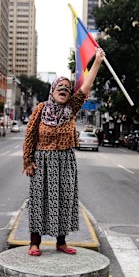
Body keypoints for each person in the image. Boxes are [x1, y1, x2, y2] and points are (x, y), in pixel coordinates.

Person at [22, 47, 105, 256]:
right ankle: (34, 243)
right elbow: (30, 136)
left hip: (66, 161)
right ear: (52, 90)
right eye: (60, 87)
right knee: (39, 200)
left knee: (65, 200)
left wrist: (96, 62)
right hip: (42, 160)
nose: (64, 90)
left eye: (67, 89)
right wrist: (28, 161)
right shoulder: (41, 109)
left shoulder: (71, 108)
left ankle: (61, 241)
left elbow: (86, 88)